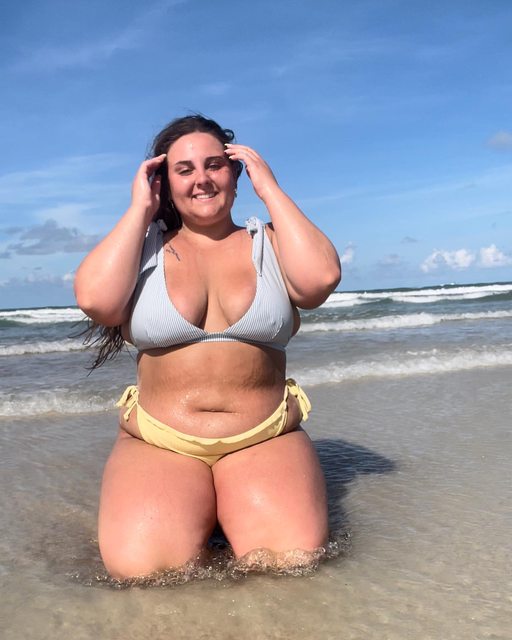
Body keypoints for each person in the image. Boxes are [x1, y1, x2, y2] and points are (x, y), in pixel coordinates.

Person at [74, 115, 341, 579]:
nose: (201, 179)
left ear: (236, 172)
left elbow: (320, 280)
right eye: (184, 169)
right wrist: (140, 208)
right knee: (144, 573)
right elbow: (97, 301)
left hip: (264, 436)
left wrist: (270, 189)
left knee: (290, 567)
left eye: (215, 165)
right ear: (164, 182)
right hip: (160, 441)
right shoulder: (145, 249)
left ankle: (223, 508)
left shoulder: (268, 242)